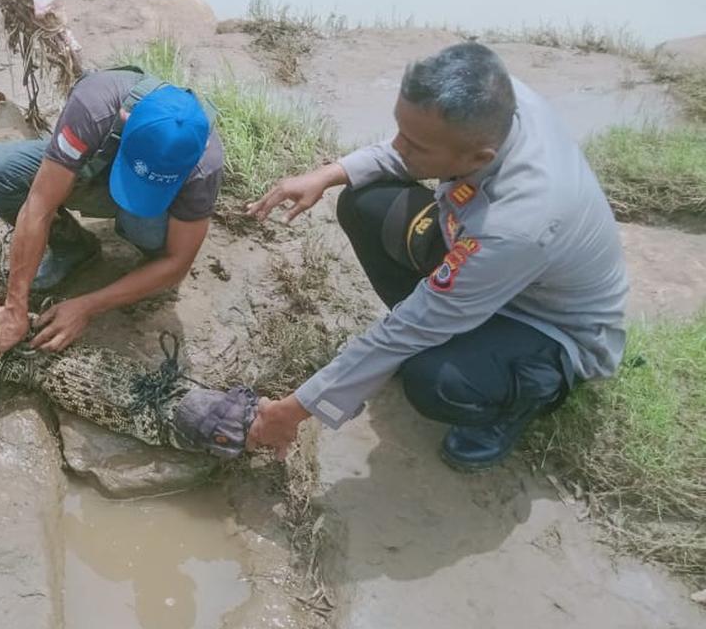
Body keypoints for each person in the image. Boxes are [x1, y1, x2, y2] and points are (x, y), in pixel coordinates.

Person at [244, 43, 629, 470]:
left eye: (415, 144)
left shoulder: (521, 219)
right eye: (399, 130)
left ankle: (513, 406)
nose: (397, 147)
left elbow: (408, 328)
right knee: (363, 199)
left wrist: (291, 411)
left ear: (478, 156)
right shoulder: (495, 100)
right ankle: (448, 324)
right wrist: (326, 174)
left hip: (545, 323)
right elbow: (404, 152)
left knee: (433, 379)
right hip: (480, 250)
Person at [0, 68, 221, 360]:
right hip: (95, 172)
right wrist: (15, 305)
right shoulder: (95, 105)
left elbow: (178, 263)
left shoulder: (205, 163)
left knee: (151, 236)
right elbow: (39, 205)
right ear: (126, 121)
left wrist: (87, 306)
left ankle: (143, 263)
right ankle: (73, 248)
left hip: (152, 212)